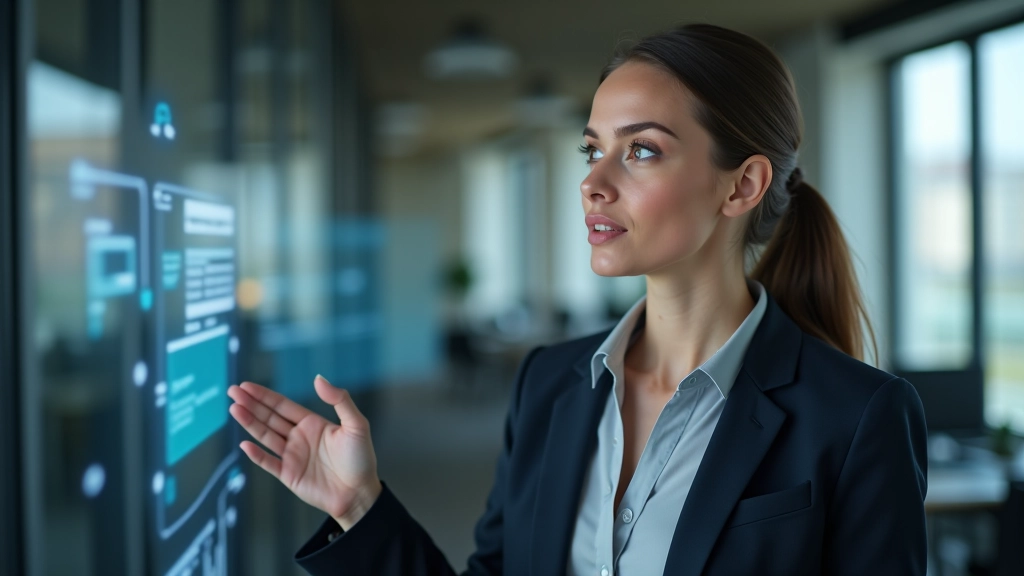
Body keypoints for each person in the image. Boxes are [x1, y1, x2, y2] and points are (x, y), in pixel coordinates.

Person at [226, 23, 928, 576]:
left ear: (741, 186)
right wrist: (361, 506)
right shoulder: (549, 385)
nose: (595, 182)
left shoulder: (858, 416)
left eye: (642, 150)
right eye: (591, 150)